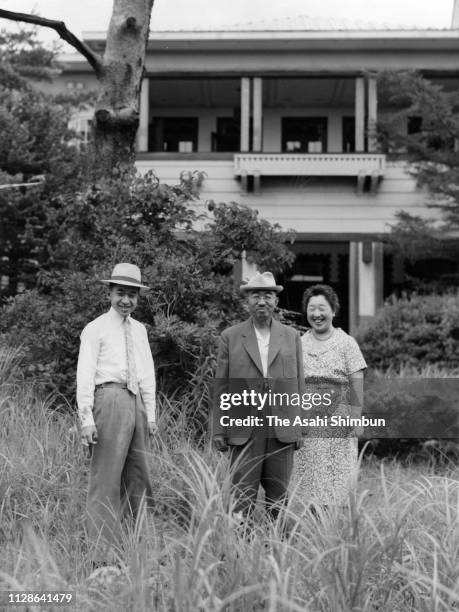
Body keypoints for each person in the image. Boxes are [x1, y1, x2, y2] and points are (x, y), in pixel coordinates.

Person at [77, 262, 157, 567]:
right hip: (108, 399)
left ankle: (142, 549)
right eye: (120, 293)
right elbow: (85, 376)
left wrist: (150, 414)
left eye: (132, 295)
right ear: (110, 293)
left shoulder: (139, 330)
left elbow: (147, 373)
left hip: (135, 401)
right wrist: (87, 419)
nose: (126, 300)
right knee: (106, 477)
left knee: (139, 475)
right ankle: (100, 554)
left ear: (138, 298)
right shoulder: (95, 328)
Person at [212, 271, 304, 520]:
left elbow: (299, 383)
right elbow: (222, 387)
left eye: (267, 296)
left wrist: (299, 425)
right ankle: (241, 551)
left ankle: (278, 550)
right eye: (256, 295)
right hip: (244, 426)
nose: (262, 301)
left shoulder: (291, 336)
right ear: (247, 301)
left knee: (279, 496)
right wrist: (219, 428)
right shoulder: (230, 337)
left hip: (281, 426)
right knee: (242, 496)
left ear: (275, 301)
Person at [293, 284, 367, 510]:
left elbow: (357, 380)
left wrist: (356, 417)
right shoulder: (298, 343)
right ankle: (308, 529)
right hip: (306, 423)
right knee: (307, 482)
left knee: (338, 483)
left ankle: (336, 530)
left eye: (322, 308)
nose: (317, 314)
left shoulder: (347, 343)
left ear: (333, 310)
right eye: (311, 308)